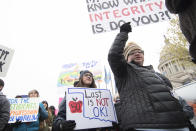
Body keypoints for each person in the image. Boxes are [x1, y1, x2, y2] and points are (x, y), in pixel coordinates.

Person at [108, 22, 191, 131]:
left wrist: (186, 112)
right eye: (132, 52)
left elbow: (173, 95)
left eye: (140, 51)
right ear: (126, 58)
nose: (137, 53)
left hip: (178, 124)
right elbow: (114, 55)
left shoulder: (159, 76)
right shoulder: (124, 72)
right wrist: (123, 34)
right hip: (147, 125)